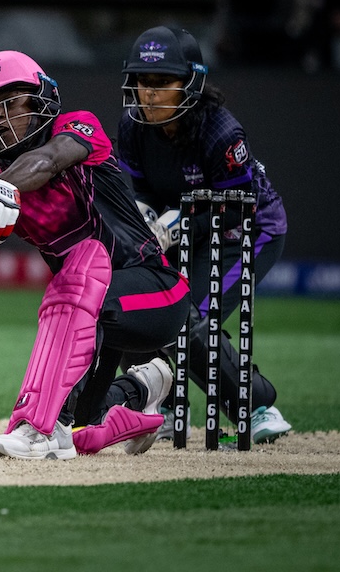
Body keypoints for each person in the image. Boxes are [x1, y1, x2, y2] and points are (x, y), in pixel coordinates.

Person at [0, 50, 194, 460]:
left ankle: (36, 428)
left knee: (74, 279)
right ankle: (145, 389)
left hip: (156, 291)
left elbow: (46, 161)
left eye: (10, 103)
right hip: (94, 325)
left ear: (40, 99)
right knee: (83, 432)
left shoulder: (76, 127)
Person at [117, 26, 292, 443]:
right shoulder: (132, 127)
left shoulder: (220, 131)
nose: (149, 93)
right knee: (135, 309)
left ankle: (259, 407)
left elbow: (238, 205)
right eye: (143, 81)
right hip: (185, 230)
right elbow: (142, 189)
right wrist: (148, 215)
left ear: (191, 83)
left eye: (162, 83)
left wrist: (182, 219)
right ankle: (168, 410)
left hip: (247, 230)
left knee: (188, 317)